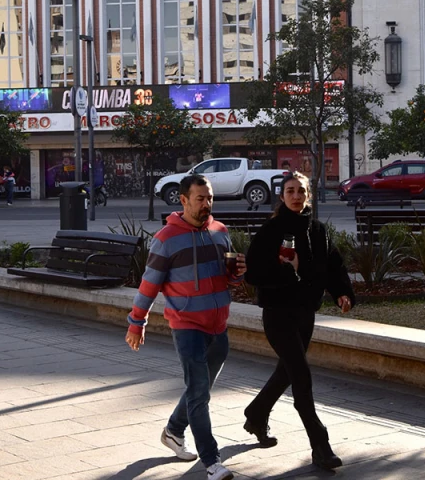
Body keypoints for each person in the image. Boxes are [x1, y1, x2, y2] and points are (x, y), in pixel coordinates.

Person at [125, 174, 245, 480]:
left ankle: (173, 431)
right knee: (199, 393)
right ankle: (212, 462)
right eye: (200, 199)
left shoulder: (219, 231)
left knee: (198, 389)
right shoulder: (166, 239)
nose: (206, 204)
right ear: (183, 200)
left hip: (219, 325)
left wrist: (237, 274)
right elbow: (149, 284)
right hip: (187, 325)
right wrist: (137, 322)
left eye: (210, 198)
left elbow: (228, 277)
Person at [243, 172, 354, 470]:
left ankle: (256, 414)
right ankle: (321, 446)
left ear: (309, 195)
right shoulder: (271, 230)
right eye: (290, 191)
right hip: (278, 314)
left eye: (301, 191)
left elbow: (333, 265)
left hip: (306, 313)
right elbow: (253, 274)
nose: (296, 196)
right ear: (281, 196)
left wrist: (342, 292)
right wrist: (287, 272)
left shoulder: (318, 230)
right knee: (301, 377)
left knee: (287, 373)